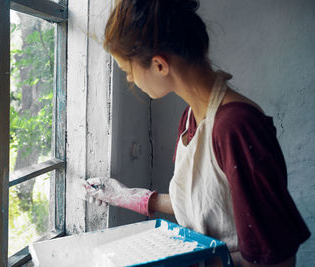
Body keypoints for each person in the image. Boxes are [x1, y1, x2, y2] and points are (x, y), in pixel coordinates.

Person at [83, 0, 311, 266]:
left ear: (159, 65)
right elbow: (208, 203)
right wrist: (130, 196)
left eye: (128, 70)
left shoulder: (236, 126)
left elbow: (279, 258)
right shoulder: (192, 117)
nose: (130, 80)